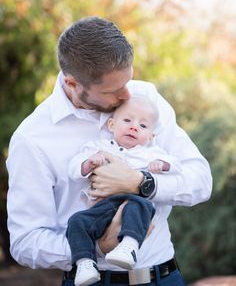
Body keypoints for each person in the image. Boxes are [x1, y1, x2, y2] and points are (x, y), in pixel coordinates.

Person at [6, 16, 212, 286]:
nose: (127, 95)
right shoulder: (32, 138)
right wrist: (97, 247)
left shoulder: (145, 100)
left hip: (164, 277)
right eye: (113, 90)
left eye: (129, 80)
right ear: (72, 84)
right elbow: (25, 242)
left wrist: (142, 183)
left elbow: (201, 180)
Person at [67, 96, 181, 286]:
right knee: (77, 221)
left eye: (143, 126)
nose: (134, 127)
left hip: (133, 202)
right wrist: (89, 163)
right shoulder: (99, 147)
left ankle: (129, 246)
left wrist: (162, 164)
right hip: (103, 206)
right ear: (111, 125)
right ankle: (85, 263)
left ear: (151, 136)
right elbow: (74, 168)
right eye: (127, 121)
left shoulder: (151, 152)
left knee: (141, 205)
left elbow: (177, 165)